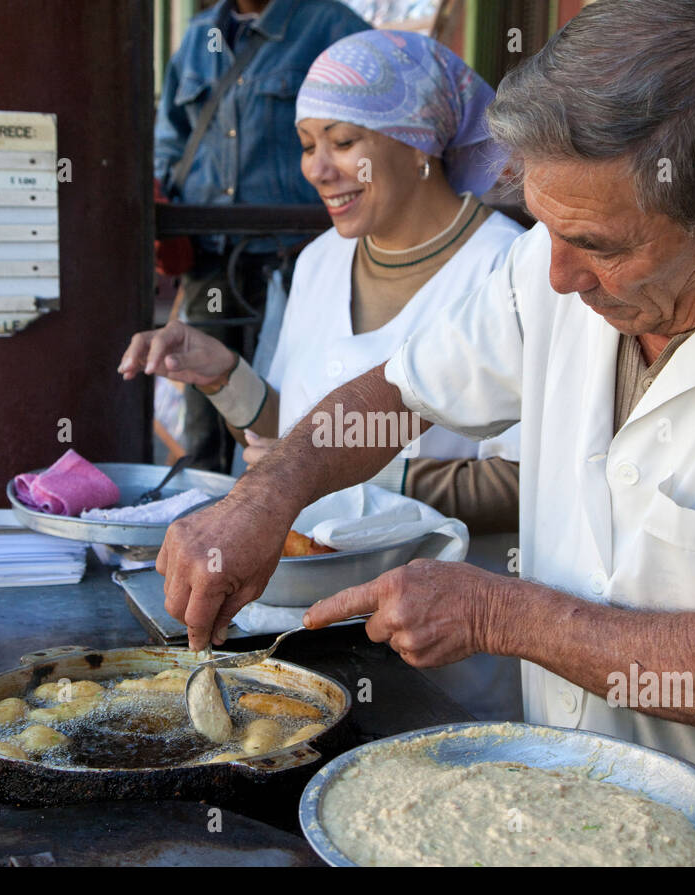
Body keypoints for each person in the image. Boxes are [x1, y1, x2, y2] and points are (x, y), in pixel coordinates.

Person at [152, 0, 695, 866]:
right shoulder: (561, 263)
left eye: (596, 243)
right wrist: (262, 497)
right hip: (559, 823)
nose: (554, 274)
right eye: (543, 224)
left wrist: (500, 613)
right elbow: (400, 389)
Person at [125, 30, 525, 719]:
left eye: (343, 142)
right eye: (308, 144)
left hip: (447, 648)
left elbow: (524, 485)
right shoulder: (317, 263)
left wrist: (365, 476)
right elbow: (300, 438)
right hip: (307, 632)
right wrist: (226, 378)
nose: (317, 167)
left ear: (418, 141)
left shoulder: (502, 270)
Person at [154, 0, 370, 472]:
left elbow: (370, 130)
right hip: (210, 258)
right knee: (205, 406)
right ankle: (208, 523)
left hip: (295, 256)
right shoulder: (198, 38)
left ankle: (281, 521)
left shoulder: (332, 27)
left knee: (292, 399)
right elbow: (169, 137)